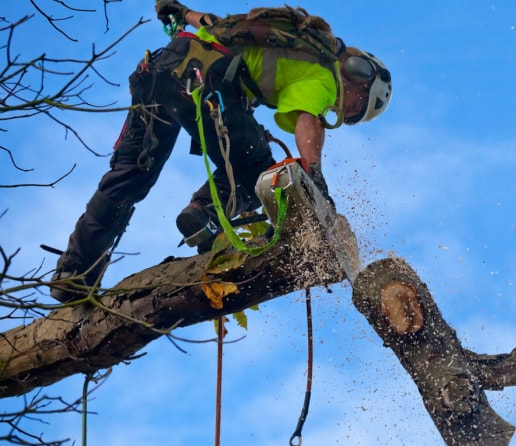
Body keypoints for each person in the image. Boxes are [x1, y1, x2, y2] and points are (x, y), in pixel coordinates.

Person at [49, 1, 392, 303]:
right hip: (205, 82)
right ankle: (204, 213)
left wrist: (180, 12)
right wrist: (314, 177)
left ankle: (74, 275)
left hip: (160, 71)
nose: (345, 110)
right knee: (259, 174)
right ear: (358, 81)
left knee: (127, 179)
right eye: (355, 108)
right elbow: (309, 120)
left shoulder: (281, 37)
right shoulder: (324, 74)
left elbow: (211, 23)